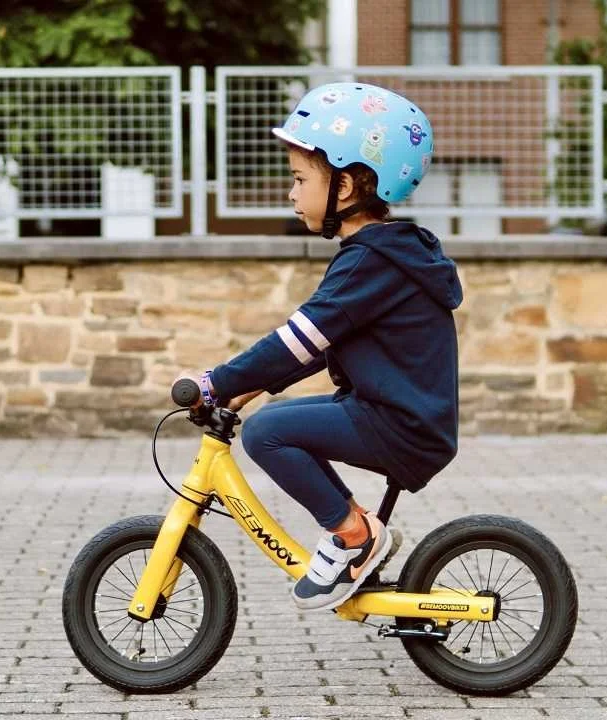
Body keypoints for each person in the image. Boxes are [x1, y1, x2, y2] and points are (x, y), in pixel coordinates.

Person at [183, 82, 462, 611]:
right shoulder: (383, 255)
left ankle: (354, 535)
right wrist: (250, 388)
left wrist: (216, 382)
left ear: (349, 185)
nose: (291, 192)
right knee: (273, 417)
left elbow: (296, 339)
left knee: (268, 433)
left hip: (400, 423)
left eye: (299, 178)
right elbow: (316, 344)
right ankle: (354, 531)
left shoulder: (371, 262)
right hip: (397, 413)